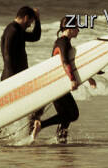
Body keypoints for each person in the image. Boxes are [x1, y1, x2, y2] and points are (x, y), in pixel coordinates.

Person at [32, 16, 87, 144]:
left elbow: (73, 64)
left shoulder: (64, 42)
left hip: (58, 83)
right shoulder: (62, 42)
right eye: (76, 27)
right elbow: (65, 62)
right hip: (56, 85)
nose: (78, 30)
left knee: (66, 116)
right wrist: (72, 79)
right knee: (73, 114)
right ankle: (41, 125)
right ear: (69, 28)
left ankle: (61, 141)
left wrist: (89, 78)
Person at [1, 6, 42, 135]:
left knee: (35, 105)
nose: (30, 25)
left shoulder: (17, 30)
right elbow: (7, 55)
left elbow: (35, 37)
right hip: (13, 78)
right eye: (30, 22)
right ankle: (26, 133)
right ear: (25, 18)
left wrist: (38, 20)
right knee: (37, 104)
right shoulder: (12, 30)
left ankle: (26, 132)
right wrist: (14, 80)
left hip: (17, 77)